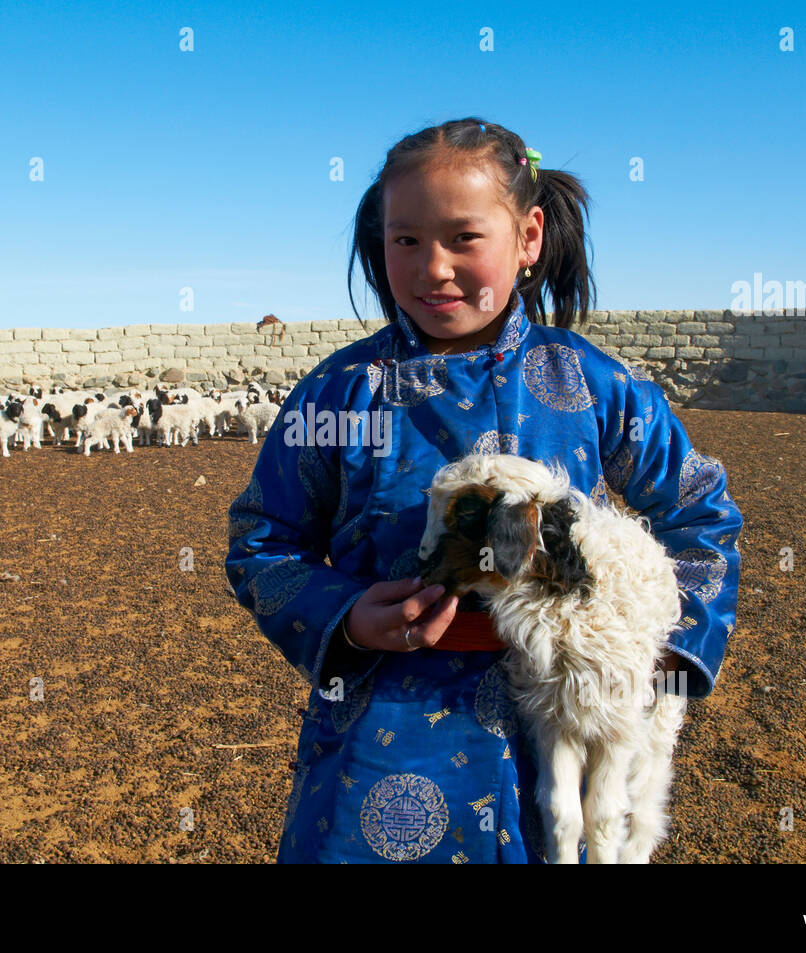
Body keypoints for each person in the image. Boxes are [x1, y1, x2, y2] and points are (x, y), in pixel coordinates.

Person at [224, 117, 743, 863]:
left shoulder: (591, 385)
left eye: (463, 238)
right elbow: (260, 540)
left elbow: (702, 513)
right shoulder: (338, 395)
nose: (433, 267)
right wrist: (345, 616)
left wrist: (659, 652)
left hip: (555, 730)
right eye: (405, 240)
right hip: (380, 735)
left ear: (527, 237)